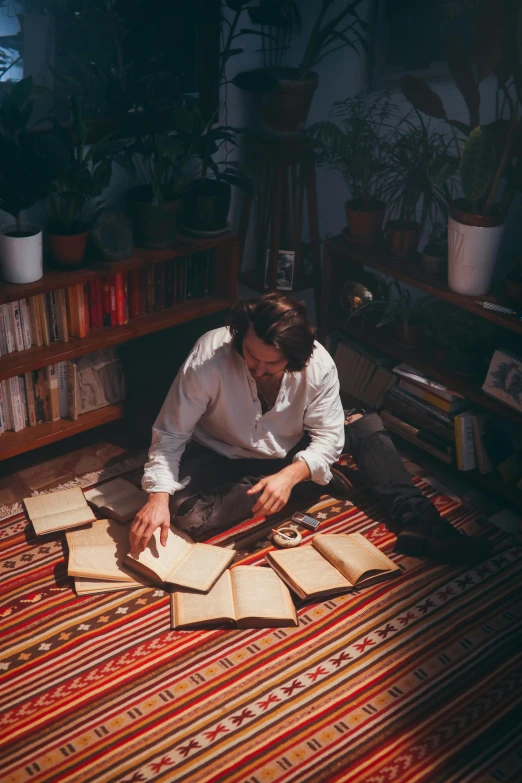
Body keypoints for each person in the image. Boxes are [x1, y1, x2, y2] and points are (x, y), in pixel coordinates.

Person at [130, 293, 491, 565]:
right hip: (225, 452)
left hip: (293, 444)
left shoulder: (318, 365)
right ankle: (311, 479)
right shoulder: (209, 356)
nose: (256, 368)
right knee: (188, 516)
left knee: (365, 426)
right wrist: (157, 498)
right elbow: (171, 434)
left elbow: (330, 436)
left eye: (270, 363)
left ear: (295, 358)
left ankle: (422, 523)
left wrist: (291, 474)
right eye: (250, 355)